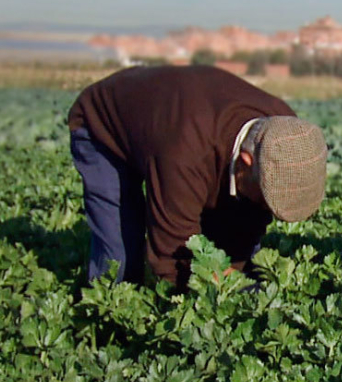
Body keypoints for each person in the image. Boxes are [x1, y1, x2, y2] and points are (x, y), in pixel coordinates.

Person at [67, 65, 328, 289]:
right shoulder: (185, 152)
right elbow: (172, 254)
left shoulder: (286, 132)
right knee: (120, 255)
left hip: (169, 123)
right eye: (265, 201)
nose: (265, 212)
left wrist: (234, 272)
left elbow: (246, 223)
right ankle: (107, 323)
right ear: (245, 163)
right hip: (103, 126)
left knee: (236, 236)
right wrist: (211, 291)